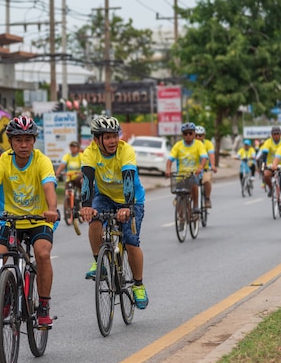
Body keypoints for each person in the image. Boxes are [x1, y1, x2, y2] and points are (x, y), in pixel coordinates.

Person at [0, 117, 59, 328]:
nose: (23, 145)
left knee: (42, 253)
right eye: (18, 140)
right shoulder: (2, 162)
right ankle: (7, 294)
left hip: (39, 220)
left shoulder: (41, 161)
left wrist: (51, 210)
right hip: (13, 222)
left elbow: (49, 188)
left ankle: (43, 306)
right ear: (10, 142)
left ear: (34, 141)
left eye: (28, 139)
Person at [79, 116, 149, 310]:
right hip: (105, 197)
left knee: (131, 241)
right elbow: (87, 180)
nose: (113, 141)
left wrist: (127, 207)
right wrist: (85, 205)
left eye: (115, 136)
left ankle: (138, 285)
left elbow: (128, 178)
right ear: (96, 140)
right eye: (107, 137)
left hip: (131, 199)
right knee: (93, 217)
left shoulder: (125, 150)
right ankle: (98, 262)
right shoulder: (90, 153)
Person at [166, 123, 208, 213]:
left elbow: (204, 157)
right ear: (183, 135)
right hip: (180, 175)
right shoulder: (178, 145)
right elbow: (170, 159)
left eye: (190, 133)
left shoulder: (199, 144)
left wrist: (200, 167)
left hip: (193, 174)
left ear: (194, 134)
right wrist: (168, 169)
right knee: (180, 195)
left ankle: (196, 206)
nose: (188, 135)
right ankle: (182, 215)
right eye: (185, 133)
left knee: (194, 184)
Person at [257, 126, 281, 197]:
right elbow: (264, 154)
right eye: (274, 134)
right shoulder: (268, 142)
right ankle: (271, 188)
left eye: (278, 134)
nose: (276, 136)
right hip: (271, 165)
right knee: (266, 175)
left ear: (280, 134)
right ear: (271, 135)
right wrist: (264, 163)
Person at [195, 126, 217, 208]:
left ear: (204, 136)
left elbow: (211, 154)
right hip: (193, 169)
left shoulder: (208, 143)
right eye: (196, 135)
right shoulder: (191, 144)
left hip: (205, 168)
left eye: (200, 135)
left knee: (207, 180)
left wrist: (213, 165)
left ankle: (207, 198)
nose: (198, 137)